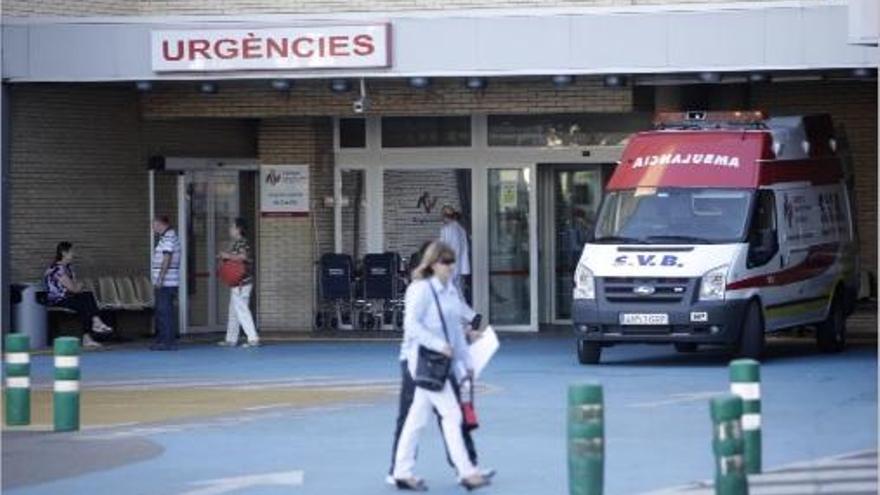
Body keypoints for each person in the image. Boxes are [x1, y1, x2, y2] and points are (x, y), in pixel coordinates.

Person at [390, 241, 490, 491]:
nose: (451, 267)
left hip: (443, 363)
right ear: (433, 264)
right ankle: (467, 471)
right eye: (446, 262)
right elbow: (411, 326)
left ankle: (401, 471)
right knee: (451, 414)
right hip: (424, 361)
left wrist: (466, 362)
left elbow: (455, 330)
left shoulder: (449, 291)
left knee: (416, 418)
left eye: (452, 261)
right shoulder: (420, 289)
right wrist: (437, 344)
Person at [43, 242, 113, 348]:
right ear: (64, 253)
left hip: (69, 297)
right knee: (85, 303)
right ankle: (93, 328)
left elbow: (74, 287)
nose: (73, 254)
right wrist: (79, 286)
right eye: (71, 252)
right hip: (59, 300)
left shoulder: (69, 268)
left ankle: (94, 325)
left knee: (87, 298)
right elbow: (74, 288)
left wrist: (77, 287)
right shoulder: (57, 269)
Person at [218, 218, 260, 348]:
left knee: (241, 310)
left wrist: (227, 256)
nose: (230, 229)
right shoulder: (237, 243)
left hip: (242, 282)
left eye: (232, 227)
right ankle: (231, 339)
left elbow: (243, 257)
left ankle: (253, 338)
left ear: (238, 229)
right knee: (234, 311)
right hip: (238, 282)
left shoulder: (242, 242)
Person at [151, 216, 181, 351]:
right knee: (162, 311)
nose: (153, 227)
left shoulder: (169, 238)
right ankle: (163, 339)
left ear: (161, 224)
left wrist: (160, 278)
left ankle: (167, 341)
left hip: (167, 282)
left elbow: (167, 258)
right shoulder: (166, 237)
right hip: (166, 281)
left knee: (165, 311)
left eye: (154, 224)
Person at [439, 206, 471, 302]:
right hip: (459, 268)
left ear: (445, 216)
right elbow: (465, 250)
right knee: (458, 294)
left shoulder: (446, 229)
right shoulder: (461, 230)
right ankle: (469, 315)